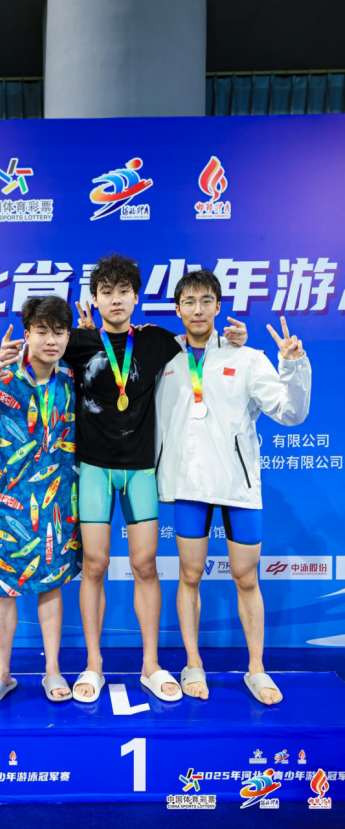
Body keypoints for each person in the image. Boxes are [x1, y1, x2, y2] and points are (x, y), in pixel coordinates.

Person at [64, 254, 247, 703]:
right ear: (94, 299)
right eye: (106, 292)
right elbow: (39, 357)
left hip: (141, 470)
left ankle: (150, 664)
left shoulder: (158, 341)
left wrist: (234, 340)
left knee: (145, 566)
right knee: (94, 565)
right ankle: (93, 665)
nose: (116, 300)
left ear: (136, 297)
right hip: (93, 470)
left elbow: (204, 343)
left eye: (124, 291)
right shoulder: (77, 342)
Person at [154, 269, 311, 705]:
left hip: (239, 488)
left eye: (206, 301)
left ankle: (256, 668)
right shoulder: (163, 360)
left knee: (246, 577)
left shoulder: (247, 357)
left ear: (218, 307)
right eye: (189, 302)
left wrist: (293, 365)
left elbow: (291, 413)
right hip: (188, 486)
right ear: (178, 309)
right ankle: (192, 663)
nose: (198, 309)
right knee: (189, 575)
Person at [0, 296, 82, 705]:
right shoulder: (0, 379)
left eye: (59, 332)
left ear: (68, 336)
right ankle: (2, 674)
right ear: (27, 334)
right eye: (41, 331)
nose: (51, 340)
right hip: (10, 510)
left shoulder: (72, 378)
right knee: (3, 592)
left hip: (59, 509)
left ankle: (53, 670)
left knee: (52, 588)